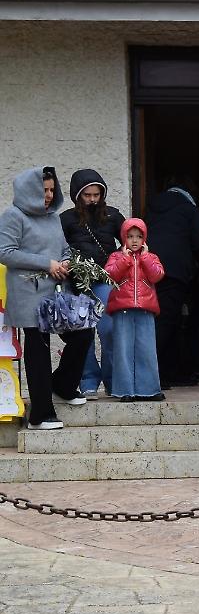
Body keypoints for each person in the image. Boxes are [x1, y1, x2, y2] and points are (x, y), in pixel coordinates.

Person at [0, 167, 93, 430]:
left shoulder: (52, 217)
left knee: (83, 333)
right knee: (39, 346)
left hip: (56, 292)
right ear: (30, 190)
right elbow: (4, 252)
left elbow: (63, 247)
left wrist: (65, 261)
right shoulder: (13, 216)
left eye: (52, 189)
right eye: (44, 190)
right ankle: (40, 415)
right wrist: (46, 264)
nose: (50, 195)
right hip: (28, 292)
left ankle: (62, 385)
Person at [59, 168, 124, 399]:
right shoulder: (66, 219)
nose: (93, 200)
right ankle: (88, 380)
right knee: (82, 333)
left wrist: (116, 261)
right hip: (76, 284)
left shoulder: (113, 216)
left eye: (97, 195)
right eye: (87, 195)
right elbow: (58, 248)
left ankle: (113, 380)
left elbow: (130, 241)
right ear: (77, 195)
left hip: (104, 280)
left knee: (109, 330)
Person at [145, 180, 199, 388]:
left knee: (159, 321)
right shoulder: (189, 210)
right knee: (168, 323)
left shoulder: (152, 207)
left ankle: (168, 373)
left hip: (149, 270)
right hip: (175, 272)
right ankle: (153, 377)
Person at [103, 219, 165, 402]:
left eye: (139, 236)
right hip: (122, 308)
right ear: (123, 238)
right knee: (123, 350)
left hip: (145, 309)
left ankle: (149, 389)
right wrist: (125, 259)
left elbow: (157, 275)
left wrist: (144, 258)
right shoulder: (116, 256)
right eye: (130, 236)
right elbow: (110, 274)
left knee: (146, 349)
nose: (135, 240)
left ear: (144, 238)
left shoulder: (151, 257)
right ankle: (125, 390)